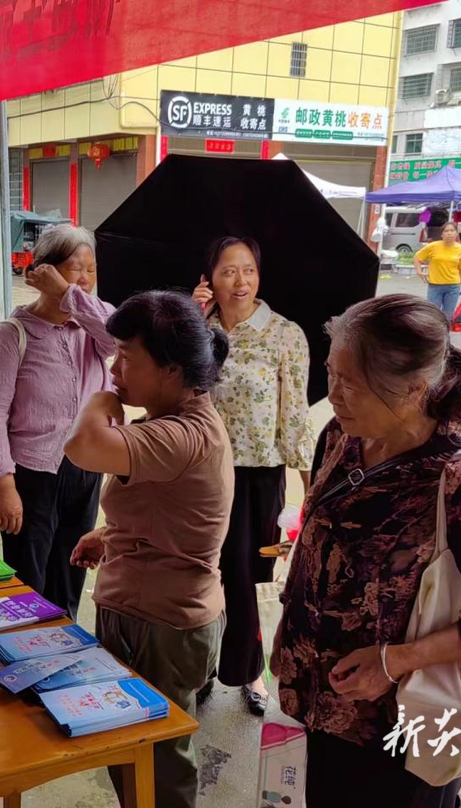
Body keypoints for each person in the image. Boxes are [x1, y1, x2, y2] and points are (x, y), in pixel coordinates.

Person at [274, 294, 461, 808]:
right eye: (330, 373)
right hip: (326, 704)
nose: (332, 393)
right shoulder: (342, 435)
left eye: (349, 383)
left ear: (414, 389)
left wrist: (396, 660)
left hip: (404, 723)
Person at [66, 291, 233, 808]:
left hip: (159, 622)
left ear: (171, 369)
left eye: (128, 359)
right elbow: (170, 511)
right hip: (150, 611)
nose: (116, 370)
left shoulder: (184, 433)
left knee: (155, 765)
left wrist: (97, 403)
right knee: (136, 755)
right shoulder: (171, 422)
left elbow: (83, 447)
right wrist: (111, 534)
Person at [191, 236, 313, 716]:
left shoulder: (285, 334)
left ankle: (251, 673)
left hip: (260, 477)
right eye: (227, 271)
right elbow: (177, 389)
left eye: (248, 270)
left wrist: (309, 484)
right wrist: (190, 318)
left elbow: (296, 414)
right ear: (209, 279)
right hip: (201, 473)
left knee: (252, 577)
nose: (239, 281)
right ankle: (201, 666)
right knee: (202, 574)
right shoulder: (196, 330)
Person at [0, 224, 114, 619]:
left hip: (85, 469)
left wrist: (69, 294)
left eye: (91, 268)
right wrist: (4, 485)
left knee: (71, 574)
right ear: (44, 272)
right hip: (31, 474)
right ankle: (22, 661)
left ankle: (61, 651)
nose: (85, 279)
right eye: (74, 268)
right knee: (27, 579)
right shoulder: (14, 333)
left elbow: (121, 337)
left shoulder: (92, 331)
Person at [414, 222, 461, 323]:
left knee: (448, 315)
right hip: (435, 286)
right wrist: (419, 271)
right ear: (442, 234)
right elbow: (417, 257)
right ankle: (433, 335)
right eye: (446, 231)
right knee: (433, 314)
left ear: (457, 233)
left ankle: (444, 335)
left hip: (453, 287)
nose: (449, 233)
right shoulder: (433, 246)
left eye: (452, 231)